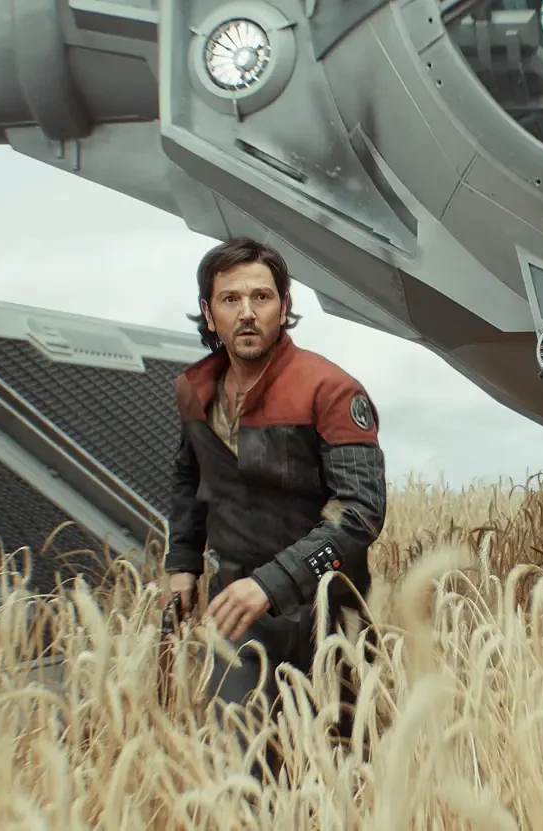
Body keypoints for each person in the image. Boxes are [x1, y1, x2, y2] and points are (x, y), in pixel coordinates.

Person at [164, 236, 387, 774]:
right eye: (230, 299)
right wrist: (183, 561)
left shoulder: (330, 389)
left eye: (261, 298)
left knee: (340, 776)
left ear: (283, 308)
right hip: (236, 610)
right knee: (240, 771)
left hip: (327, 613)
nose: (247, 312)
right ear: (209, 313)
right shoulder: (194, 390)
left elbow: (361, 514)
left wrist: (272, 583)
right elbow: (189, 478)